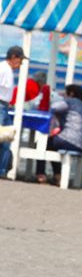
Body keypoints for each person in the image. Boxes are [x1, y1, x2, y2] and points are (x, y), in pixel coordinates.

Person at [35, 84, 82, 186]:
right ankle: (57, 175)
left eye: (65, 93)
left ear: (71, 93)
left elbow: (54, 107)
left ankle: (41, 175)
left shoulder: (71, 101)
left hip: (70, 140)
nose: (63, 95)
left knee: (43, 144)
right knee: (52, 145)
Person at [0, 46, 25, 178]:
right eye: (20, 60)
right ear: (14, 57)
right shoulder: (3, 68)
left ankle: (2, 170)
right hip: (1, 106)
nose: (20, 64)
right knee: (4, 138)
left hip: (4, 106)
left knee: (6, 139)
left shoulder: (7, 69)